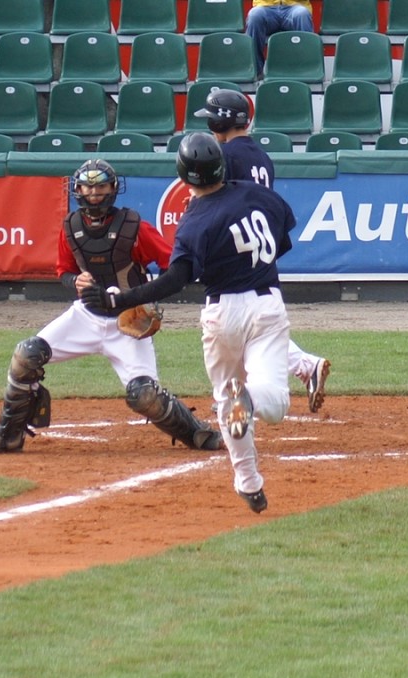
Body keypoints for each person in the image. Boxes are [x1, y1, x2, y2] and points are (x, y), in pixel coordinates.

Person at [83, 134, 296, 514]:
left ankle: (248, 481)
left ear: (183, 177)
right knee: (274, 403)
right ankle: (248, 401)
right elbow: (281, 240)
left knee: (226, 399)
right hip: (266, 305)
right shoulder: (259, 194)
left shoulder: (195, 221)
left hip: (221, 313)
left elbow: (176, 279)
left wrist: (120, 299)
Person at [0, 159, 223, 455]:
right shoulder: (71, 226)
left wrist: (148, 298)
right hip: (85, 317)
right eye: (87, 187)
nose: (93, 193)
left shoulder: (133, 226)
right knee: (26, 354)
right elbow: (64, 271)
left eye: (101, 186)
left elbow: (174, 267)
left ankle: (197, 433)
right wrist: (75, 281)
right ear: (77, 190)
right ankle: (9, 435)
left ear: (113, 188)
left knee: (144, 395)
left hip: (128, 322)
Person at [195, 88, 330, 413]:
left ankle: (238, 396)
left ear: (220, 121)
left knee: (236, 315)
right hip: (261, 238)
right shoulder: (261, 155)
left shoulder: (225, 155)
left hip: (237, 240)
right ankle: (302, 367)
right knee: (255, 320)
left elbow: (219, 201)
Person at [245, 0, 314, 78]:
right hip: (265, 7)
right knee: (255, 15)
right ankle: (255, 71)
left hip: (294, 6)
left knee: (302, 14)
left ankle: (308, 69)